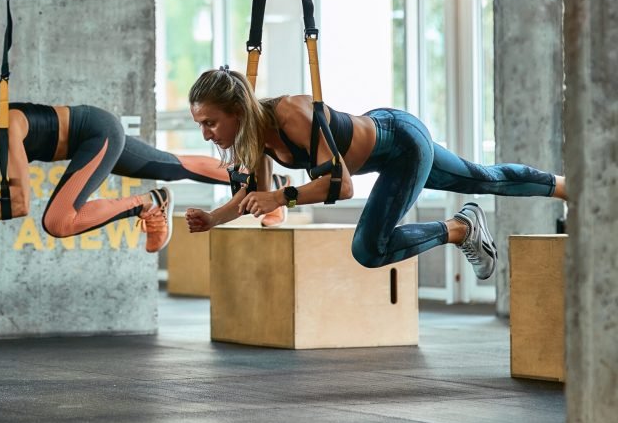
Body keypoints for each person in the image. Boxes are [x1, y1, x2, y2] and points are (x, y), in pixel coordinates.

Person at [183, 67, 567, 278]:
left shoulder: (291, 115)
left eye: (210, 123)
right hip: (386, 153)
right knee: (479, 178)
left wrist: (282, 197)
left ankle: (466, 226)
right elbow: (247, 197)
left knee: (370, 248)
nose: (206, 133)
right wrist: (212, 218)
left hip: (400, 140)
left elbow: (342, 186)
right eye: (200, 124)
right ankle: (471, 224)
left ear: (238, 111)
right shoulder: (252, 141)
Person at [0, 94, 273, 252]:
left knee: (58, 221)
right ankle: (274, 188)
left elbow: (19, 204)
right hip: (88, 140)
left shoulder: (2, 129)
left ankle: (150, 202)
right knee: (170, 165)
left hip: (95, 131)